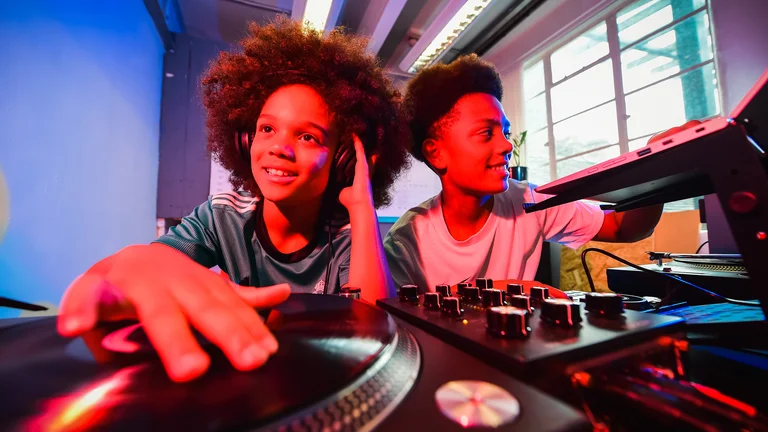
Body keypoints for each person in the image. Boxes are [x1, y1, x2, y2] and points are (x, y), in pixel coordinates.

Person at [57, 17, 410, 382]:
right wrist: (136, 261)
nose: (279, 148)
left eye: (308, 137)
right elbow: (147, 267)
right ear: (245, 139)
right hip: (247, 378)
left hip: (322, 381)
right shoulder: (222, 214)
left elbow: (379, 326)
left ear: (342, 160)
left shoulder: (349, 232)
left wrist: (362, 205)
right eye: (267, 128)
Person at [384, 54, 665, 293]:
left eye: (505, 132)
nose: (507, 145)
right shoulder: (406, 240)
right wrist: (505, 290)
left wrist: (659, 167)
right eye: (486, 133)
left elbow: (623, 227)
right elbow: (396, 318)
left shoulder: (528, 200)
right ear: (436, 153)